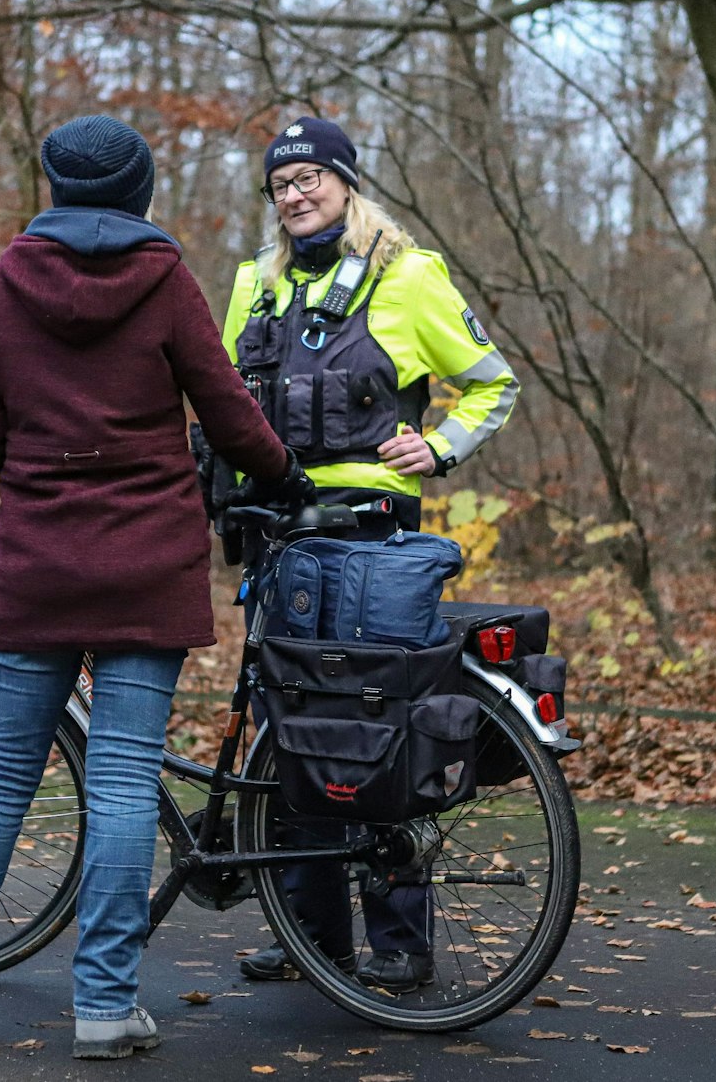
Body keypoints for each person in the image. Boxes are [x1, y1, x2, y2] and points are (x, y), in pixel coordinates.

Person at [0, 114, 302, 1061]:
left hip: (38, 561)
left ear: (56, 187)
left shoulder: (3, 282)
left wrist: (40, 458)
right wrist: (279, 470)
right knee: (122, 778)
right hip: (146, 561)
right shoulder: (165, 281)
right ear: (139, 190)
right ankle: (107, 1006)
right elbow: (227, 409)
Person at [222, 116, 519, 991]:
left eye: (311, 176)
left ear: (348, 184)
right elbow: (230, 398)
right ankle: (308, 932)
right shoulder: (255, 285)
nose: (295, 193)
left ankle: (399, 940)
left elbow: (493, 381)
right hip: (281, 538)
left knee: (374, 724)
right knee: (289, 730)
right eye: (281, 184)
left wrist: (443, 447)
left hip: (372, 536)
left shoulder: (409, 276)